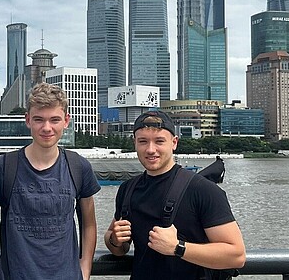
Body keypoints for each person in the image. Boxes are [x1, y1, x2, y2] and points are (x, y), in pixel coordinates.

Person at [0, 83, 101, 280]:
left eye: (55, 120)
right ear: (28, 120)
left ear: (66, 121)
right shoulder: (5, 166)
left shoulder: (78, 166)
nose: (47, 128)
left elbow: (89, 225)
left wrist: (84, 272)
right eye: (39, 119)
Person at [104, 110, 246, 280]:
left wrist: (177, 247)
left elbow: (236, 256)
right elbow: (117, 247)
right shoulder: (127, 189)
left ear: (174, 143)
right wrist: (114, 240)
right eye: (143, 141)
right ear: (134, 143)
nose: (150, 149)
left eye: (159, 141)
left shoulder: (203, 190)